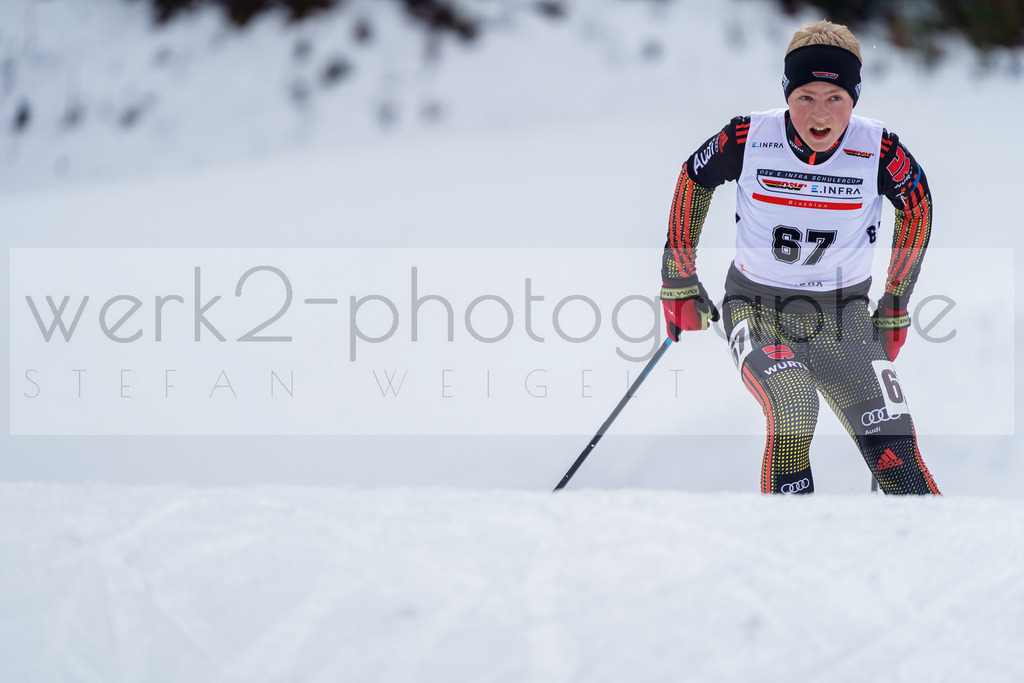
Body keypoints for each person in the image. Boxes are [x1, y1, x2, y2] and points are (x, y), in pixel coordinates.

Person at [660, 19, 940, 495]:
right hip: (755, 307)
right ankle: (789, 542)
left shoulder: (878, 149)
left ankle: (924, 559)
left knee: (895, 443)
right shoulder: (749, 136)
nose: (819, 115)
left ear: (854, 99)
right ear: (786, 93)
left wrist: (895, 305)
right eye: (804, 96)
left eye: (836, 99)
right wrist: (678, 280)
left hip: (842, 315)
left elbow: (916, 208)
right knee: (794, 409)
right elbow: (694, 179)